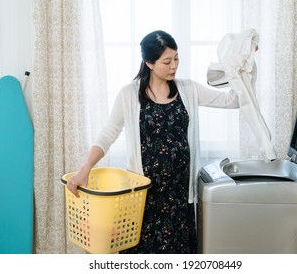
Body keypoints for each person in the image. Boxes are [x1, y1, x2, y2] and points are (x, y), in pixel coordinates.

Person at [66, 30, 240, 254]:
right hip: (143, 198)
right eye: (166, 61)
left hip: (179, 198)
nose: (174, 66)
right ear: (149, 62)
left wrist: (242, 65)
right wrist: (85, 169)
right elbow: (108, 133)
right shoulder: (129, 94)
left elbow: (232, 100)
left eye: (176, 58)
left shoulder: (188, 89)